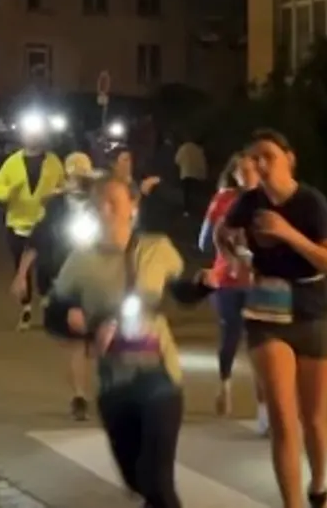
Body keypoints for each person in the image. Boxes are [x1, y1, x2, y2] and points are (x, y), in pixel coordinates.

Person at [44, 176, 215, 508]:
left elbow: (181, 291)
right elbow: (54, 313)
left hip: (160, 378)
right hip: (113, 385)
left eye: (113, 202)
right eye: (97, 204)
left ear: (132, 207)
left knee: (158, 479)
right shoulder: (80, 261)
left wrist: (204, 284)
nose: (104, 211)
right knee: (136, 479)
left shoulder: (157, 248)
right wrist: (79, 324)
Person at [217, 130, 327, 508]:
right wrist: (238, 256)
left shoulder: (311, 203)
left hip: (315, 312)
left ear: (290, 158)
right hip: (266, 315)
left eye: (267, 156)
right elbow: (222, 232)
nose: (259, 164)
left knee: (314, 417)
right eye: (253, 158)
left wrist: (288, 234)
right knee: (283, 420)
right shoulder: (248, 202)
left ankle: (318, 487)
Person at [12, 151, 99, 419]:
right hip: (62, 278)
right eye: (73, 176)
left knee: (98, 342)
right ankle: (79, 397)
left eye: (82, 177)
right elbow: (36, 243)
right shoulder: (55, 207)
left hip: (96, 278)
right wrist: (21, 275)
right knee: (76, 342)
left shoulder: (101, 204)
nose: (78, 181)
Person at [199, 151, 268, 431]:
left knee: (261, 344)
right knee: (232, 334)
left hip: (259, 281)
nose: (245, 174)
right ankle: (224, 386)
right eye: (239, 170)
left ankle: (263, 411)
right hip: (227, 281)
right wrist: (227, 255)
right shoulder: (224, 200)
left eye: (250, 169)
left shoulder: (269, 200)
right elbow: (205, 240)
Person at [0, 115, 65, 331]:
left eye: (36, 135)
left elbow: (63, 184)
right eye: (29, 134)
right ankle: (26, 309)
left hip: (43, 221)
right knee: (20, 266)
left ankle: (47, 298)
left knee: (46, 265)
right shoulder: (13, 162)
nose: (33, 138)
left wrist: (57, 193)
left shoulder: (53, 162)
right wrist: (6, 193)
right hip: (17, 223)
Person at [174, 137, 208, 220]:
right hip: (197, 174)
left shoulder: (183, 148)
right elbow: (203, 163)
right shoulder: (198, 149)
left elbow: (177, 160)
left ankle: (187, 210)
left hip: (186, 173)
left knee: (187, 193)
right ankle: (197, 210)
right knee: (196, 192)